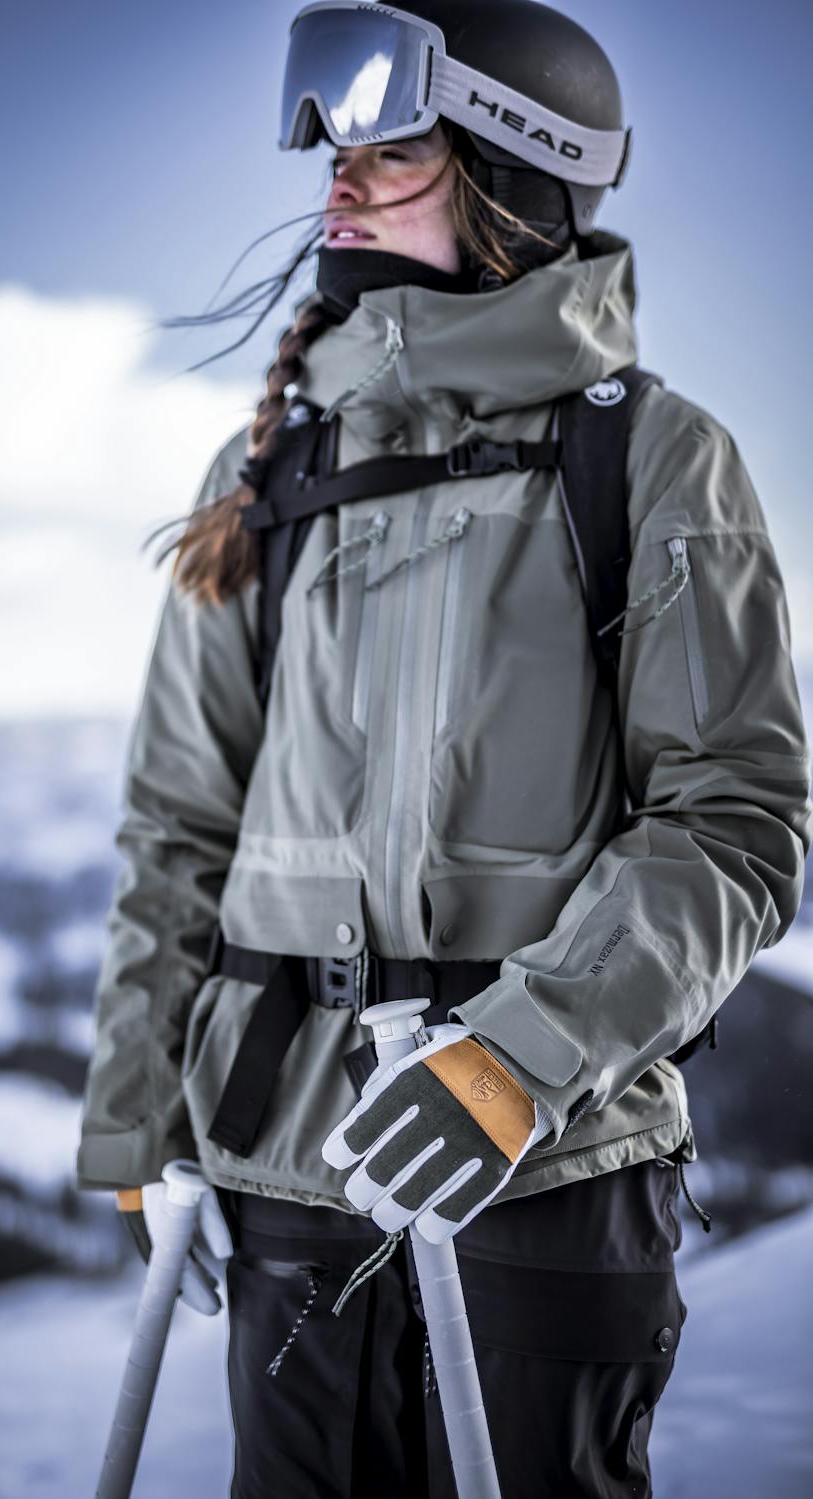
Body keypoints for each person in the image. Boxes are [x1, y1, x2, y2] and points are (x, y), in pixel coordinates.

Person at [76, 2, 812, 1494]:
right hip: (286, 1165)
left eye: (390, 144)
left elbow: (733, 820)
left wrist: (514, 1064)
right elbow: (177, 827)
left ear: (511, 172)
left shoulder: (650, 454)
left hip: (547, 1168)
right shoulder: (269, 465)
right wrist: (136, 1125)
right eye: (335, 145)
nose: (338, 176)